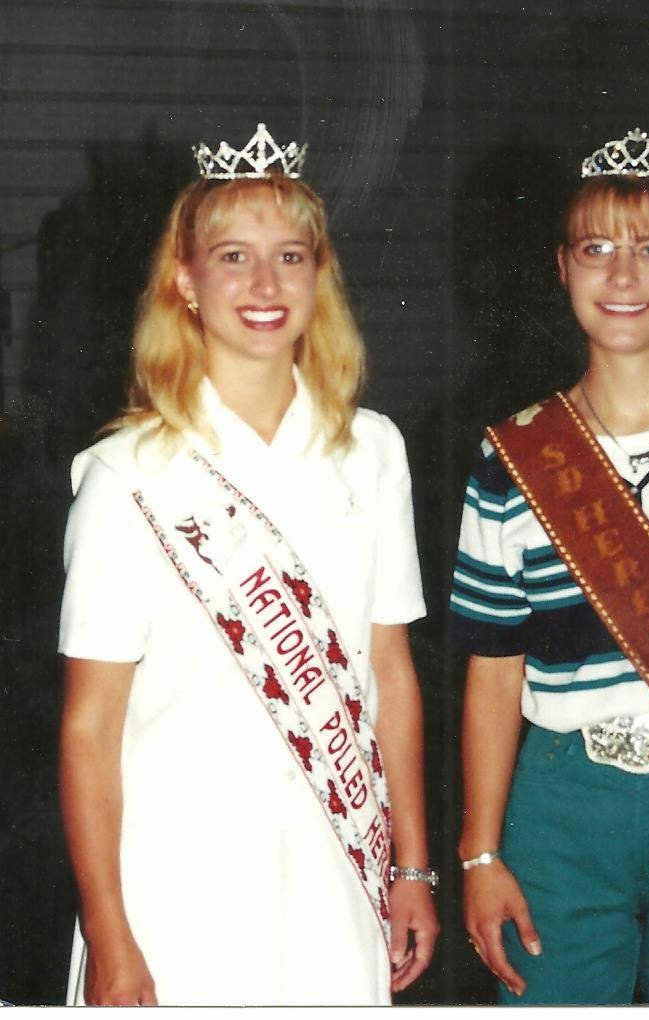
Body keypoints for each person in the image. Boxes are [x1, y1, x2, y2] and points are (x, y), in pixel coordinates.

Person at [58, 122, 438, 1006]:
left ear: (319, 276)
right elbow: (88, 731)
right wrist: (111, 936)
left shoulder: (372, 452)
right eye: (233, 257)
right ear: (185, 281)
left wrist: (412, 866)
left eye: (290, 257)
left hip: (334, 864)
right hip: (174, 881)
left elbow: (392, 673)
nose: (265, 286)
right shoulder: (127, 475)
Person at [450, 127, 649, 1005]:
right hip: (563, 808)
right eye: (596, 249)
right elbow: (491, 671)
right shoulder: (512, 455)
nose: (623, 277)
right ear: (561, 268)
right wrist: (480, 853)